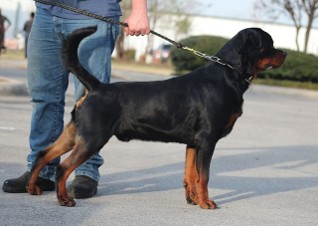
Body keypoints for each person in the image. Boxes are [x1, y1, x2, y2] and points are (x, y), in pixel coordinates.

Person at [2, 0, 150, 199]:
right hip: (46, 11)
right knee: (43, 98)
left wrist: (139, 9)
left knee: (90, 101)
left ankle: (86, 171)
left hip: (94, 12)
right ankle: (42, 170)